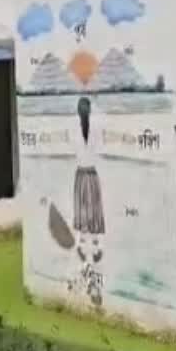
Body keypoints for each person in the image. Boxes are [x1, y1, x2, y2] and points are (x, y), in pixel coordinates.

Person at [73, 97, 105, 264]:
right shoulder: (96, 130)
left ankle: (80, 246)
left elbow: (74, 149)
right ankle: (98, 247)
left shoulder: (75, 130)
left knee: (82, 212)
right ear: (90, 111)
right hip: (92, 174)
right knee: (95, 211)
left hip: (81, 174)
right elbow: (99, 149)